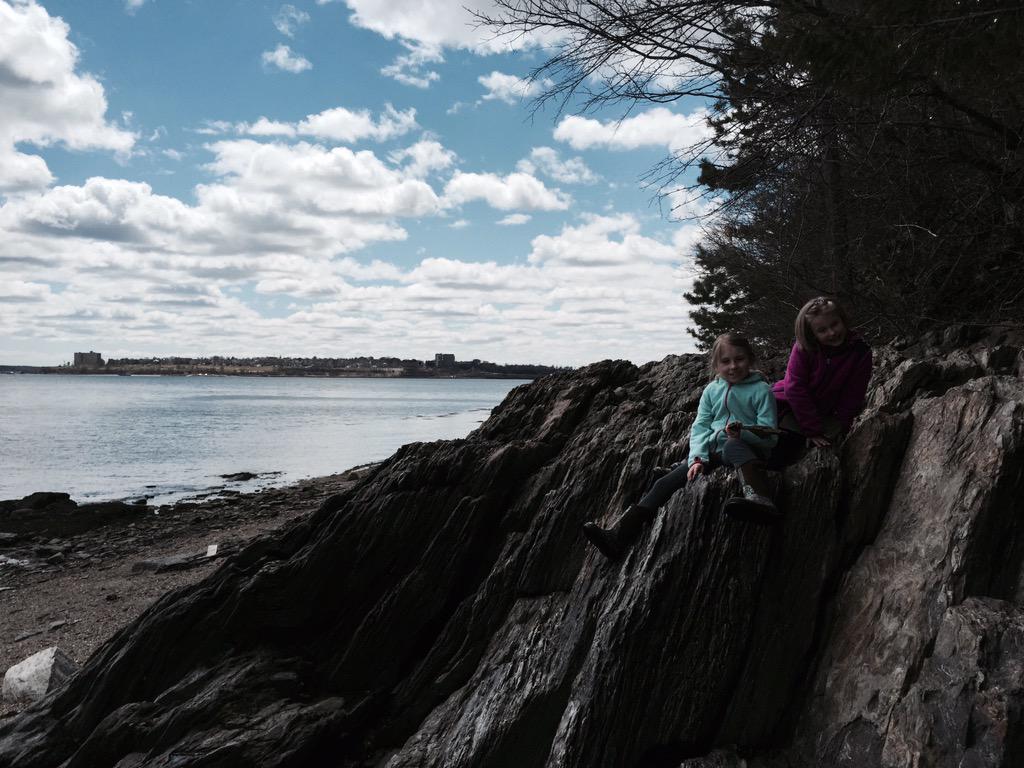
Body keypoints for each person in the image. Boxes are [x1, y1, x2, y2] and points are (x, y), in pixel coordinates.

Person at [583, 333, 779, 561]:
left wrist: (742, 433)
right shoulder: (711, 391)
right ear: (716, 365)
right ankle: (618, 536)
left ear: (750, 359)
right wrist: (697, 459)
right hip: (712, 452)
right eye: (726, 361)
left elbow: (770, 435)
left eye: (740, 359)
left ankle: (760, 499)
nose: (733, 366)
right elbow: (700, 428)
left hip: (746, 451)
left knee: (732, 446)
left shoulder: (761, 390)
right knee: (664, 482)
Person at [770, 296, 872, 464]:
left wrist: (842, 427)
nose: (832, 332)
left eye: (835, 324)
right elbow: (795, 388)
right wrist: (812, 429)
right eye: (822, 330)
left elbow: (853, 395)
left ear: (843, 320)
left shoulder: (860, 352)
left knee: (810, 448)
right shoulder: (804, 349)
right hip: (785, 404)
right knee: (779, 449)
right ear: (812, 334)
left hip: (821, 412)